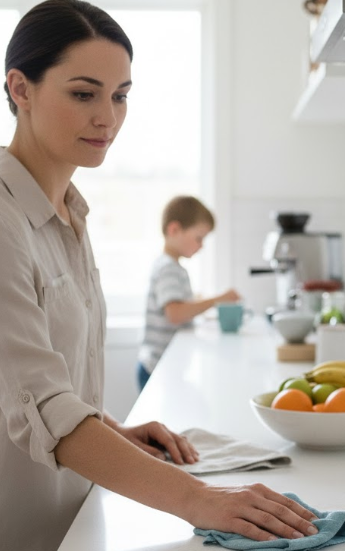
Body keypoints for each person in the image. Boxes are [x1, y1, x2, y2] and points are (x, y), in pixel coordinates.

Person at [0, 2, 318, 550]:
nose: (108, 117)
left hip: (75, 519)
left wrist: (111, 429)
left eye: (120, 95)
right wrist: (201, 500)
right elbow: (41, 403)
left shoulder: (70, 214)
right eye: (84, 93)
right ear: (20, 89)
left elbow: (37, 382)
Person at [137, 195, 240, 391]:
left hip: (160, 364)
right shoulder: (168, 268)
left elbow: (177, 306)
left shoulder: (171, 266)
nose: (201, 245)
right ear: (174, 230)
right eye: (199, 238)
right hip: (156, 367)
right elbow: (175, 313)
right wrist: (219, 299)